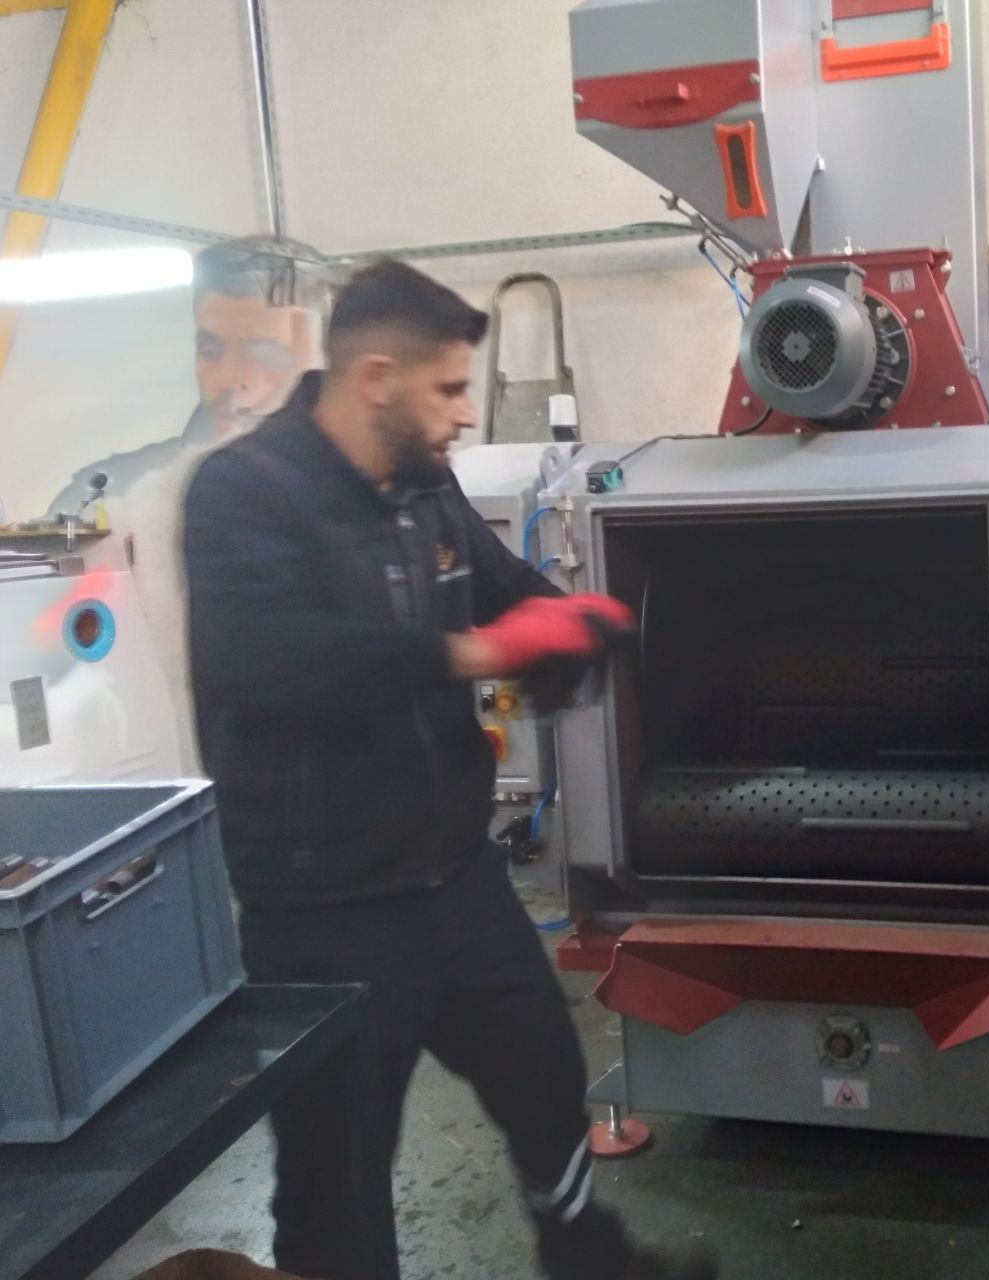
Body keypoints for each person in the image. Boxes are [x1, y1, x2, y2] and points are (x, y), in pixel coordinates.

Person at [182, 259, 717, 1280]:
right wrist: (480, 652)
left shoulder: (423, 485)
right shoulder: (244, 492)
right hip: (325, 909)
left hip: (455, 880)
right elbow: (274, 660)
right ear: (376, 377)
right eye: (450, 388)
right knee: (336, 1175)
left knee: (544, 1076)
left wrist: (574, 616)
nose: (467, 412)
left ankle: (587, 1260)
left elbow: (497, 581)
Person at [44, 236, 324, 518]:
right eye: (210, 350)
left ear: (320, 356)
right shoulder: (104, 496)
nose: (227, 379)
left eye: (263, 354)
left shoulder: (343, 494)